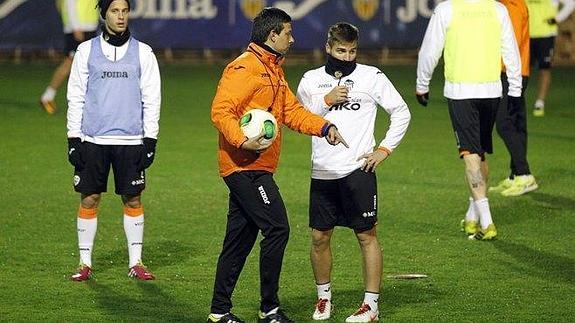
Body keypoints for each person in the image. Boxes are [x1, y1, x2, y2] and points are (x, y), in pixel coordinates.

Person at [207, 7, 348, 323]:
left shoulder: (273, 70)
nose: (292, 39)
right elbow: (221, 111)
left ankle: (218, 313)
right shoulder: (243, 68)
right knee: (277, 228)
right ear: (273, 35)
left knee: (239, 240)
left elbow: (292, 113)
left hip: (258, 166)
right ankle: (269, 309)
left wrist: (324, 128)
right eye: (288, 33)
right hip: (245, 167)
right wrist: (243, 141)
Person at [296, 22, 411, 322]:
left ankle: (370, 306)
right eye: (341, 50)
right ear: (328, 48)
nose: (347, 57)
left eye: (352, 51)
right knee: (319, 237)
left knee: (366, 237)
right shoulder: (310, 80)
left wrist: (383, 149)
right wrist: (326, 100)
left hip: (358, 170)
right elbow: (298, 119)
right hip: (322, 172)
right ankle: (324, 300)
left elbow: (401, 112)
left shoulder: (371, 77)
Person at [66, 0, 161, 281]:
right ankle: (85, 264)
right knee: (90, 198)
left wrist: (150, 139)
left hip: (131, 140)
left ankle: (136, 263)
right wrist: (74, 138)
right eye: (114, 11)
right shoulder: (85, 51)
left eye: (125, 11)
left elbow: (152, 98)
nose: (120, 16)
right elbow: (76, 96)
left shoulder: (144, 53)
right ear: (103, 14)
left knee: (132, 199)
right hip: (93, 139)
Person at [416, 0, 522, 240]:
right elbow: (510, 50)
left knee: (470, 155)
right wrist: (515, 89)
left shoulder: (447, 9)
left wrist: (422, 84)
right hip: (492, 92)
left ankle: (487, 221)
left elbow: (430, 50)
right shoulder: (497, 9)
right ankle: (473, 216)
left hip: (461, 93)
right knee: (479, 153)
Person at [491, 0, 539, 196]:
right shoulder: (510, 4)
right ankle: (516, 175)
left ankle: (524, 174)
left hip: (510, 72)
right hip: (517, 71)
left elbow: (512, 41)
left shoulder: (512, 7)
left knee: (504, 123)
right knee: (517, 122)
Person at [40, 0, 99, 114]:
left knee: (87, 66)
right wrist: (75, 26)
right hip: (79, 29)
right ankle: (47, 97)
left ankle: (88, 102)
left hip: (89, 27)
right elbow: (69, 3)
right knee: (69, 63)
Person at [527, 0, 575, 116]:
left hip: (546, 35)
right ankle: (516, 101)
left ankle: (540, 103)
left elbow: (571, 3)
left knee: (544, 68)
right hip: (526, 35)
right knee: (523, 70)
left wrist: (557, 18)